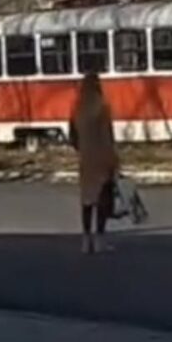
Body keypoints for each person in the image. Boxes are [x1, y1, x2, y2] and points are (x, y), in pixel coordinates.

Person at [68, 71, 119, 254]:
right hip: (102, 159)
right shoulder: (102, 108)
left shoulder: (77, 109)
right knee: (102, 200)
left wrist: (82, 149)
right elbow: (108, 137)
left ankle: (85, 239)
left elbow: (72, 136)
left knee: (87, 200)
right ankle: (100, 239)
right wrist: (114, 160)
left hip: (86, 160)